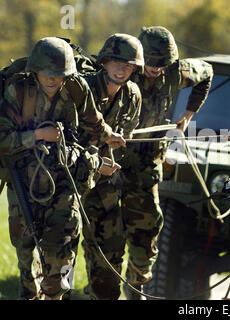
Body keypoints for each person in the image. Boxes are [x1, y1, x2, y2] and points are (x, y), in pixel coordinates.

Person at [0, 37, 124, 300]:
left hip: (64, 181)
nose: (51, 80)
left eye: (58, 75)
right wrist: (38, 135)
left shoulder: (76, 89)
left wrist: (109, 138)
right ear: (35, 71)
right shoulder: (19, 91)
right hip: (23, 182)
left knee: (62, 252)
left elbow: (95, 123)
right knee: (26, 260)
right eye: (46, 74)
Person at [119, 26, 213, 299]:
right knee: (105, 238)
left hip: (148, 166)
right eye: (151, 63)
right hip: (113, 165)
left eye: (162, 64)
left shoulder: (176, 71)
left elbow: (206, 72)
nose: (156, 69)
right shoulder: (124, 69)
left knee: (147, 235)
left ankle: (136, 291)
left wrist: (189, 113)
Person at [79, 33, 144, 300]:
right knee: (60, 252)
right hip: (67, 183)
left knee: (112, 248)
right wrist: (95, 164)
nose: (121, 68)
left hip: (103, 185)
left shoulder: (132, 96)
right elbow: (63, 141)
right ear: (104, 62)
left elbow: (123, 138)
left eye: (127, 65)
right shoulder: (82, 88)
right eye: (116, 62)